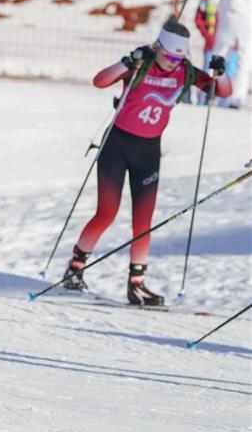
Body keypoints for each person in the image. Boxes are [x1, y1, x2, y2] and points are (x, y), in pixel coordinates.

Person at [63, 17, 232, 306]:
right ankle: (75, 268)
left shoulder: (186, 72)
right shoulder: (141, 64)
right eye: (167, 57)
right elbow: (100, 81)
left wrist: (221, 72)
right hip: (116, 145)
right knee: (107, 212)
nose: (172, 64)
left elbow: (222, 91)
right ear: (158, 48)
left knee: (143, 222)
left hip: (148, 152)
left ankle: (137, 285)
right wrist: (127, 62)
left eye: (179, 58)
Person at [205, 0, 251, 108]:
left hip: (226, 18)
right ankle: (236, 98)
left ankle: (211, 92)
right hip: (247, 20)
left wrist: (216, 12)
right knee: (244, 59)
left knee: (218, 55)